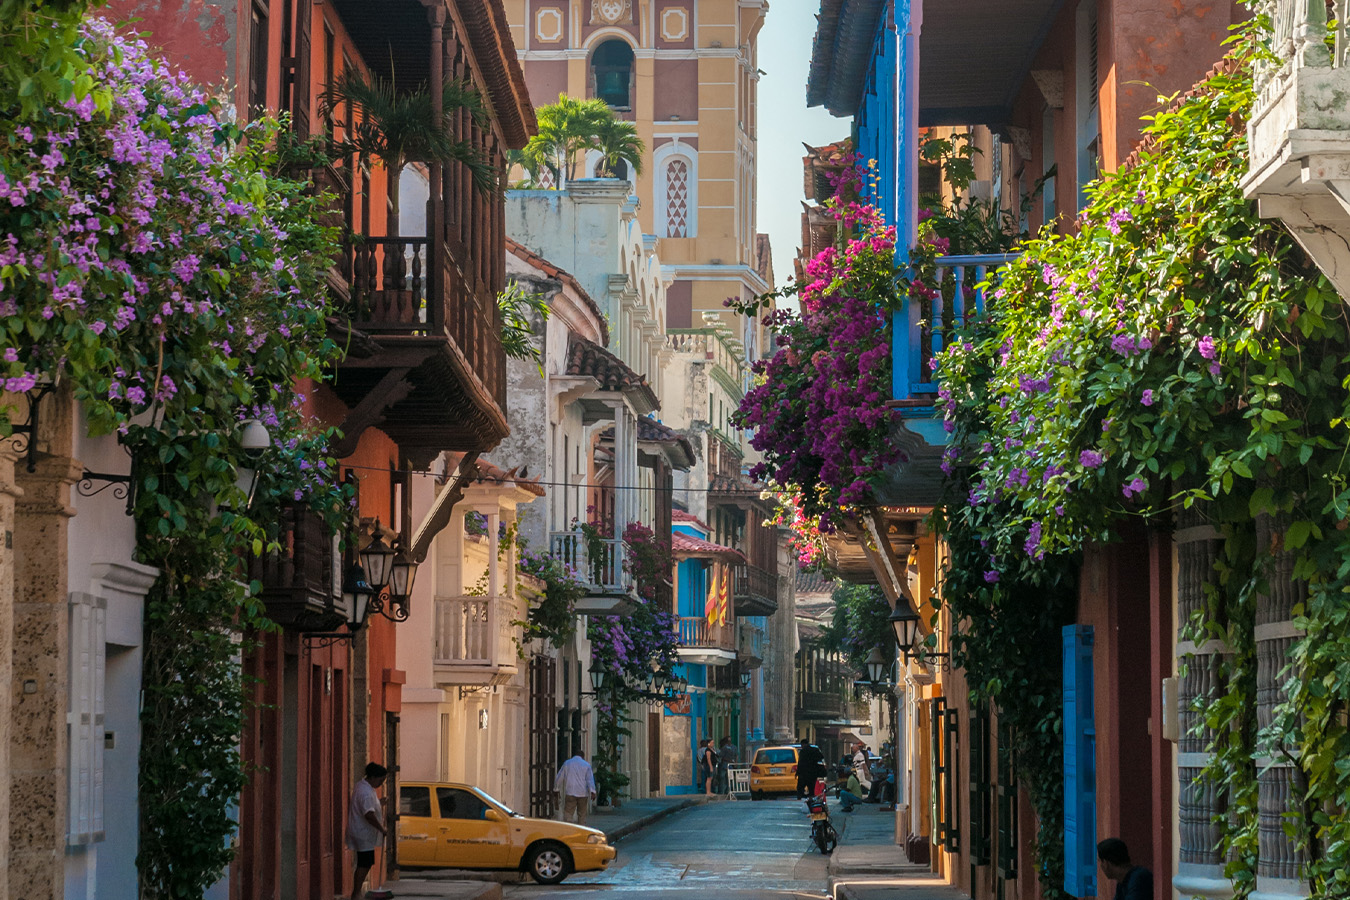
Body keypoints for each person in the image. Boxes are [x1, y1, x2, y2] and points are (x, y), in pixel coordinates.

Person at [346, 762, 388, 900]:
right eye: (381, 780)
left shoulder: (362, 786)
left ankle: (357, 892)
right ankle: (356, 892)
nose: (381, 783)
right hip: (363, 832)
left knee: (366, 862)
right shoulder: (366, 792)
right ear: (373, 777)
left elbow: (368, 806)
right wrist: (382, 828)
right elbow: (369, 814)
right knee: (364, 863)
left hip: (360, 831)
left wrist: (379, 803)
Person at [555, 749, 597, 825]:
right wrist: (593, 792)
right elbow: (590, 780)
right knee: (582, 814)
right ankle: (581, 829)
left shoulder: (567, 763)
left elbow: (559, 777)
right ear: (582, 756)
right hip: (583, 793)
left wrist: (556, 788)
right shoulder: (586, 765)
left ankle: (569, 828)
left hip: (570, 792)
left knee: (568, 813)